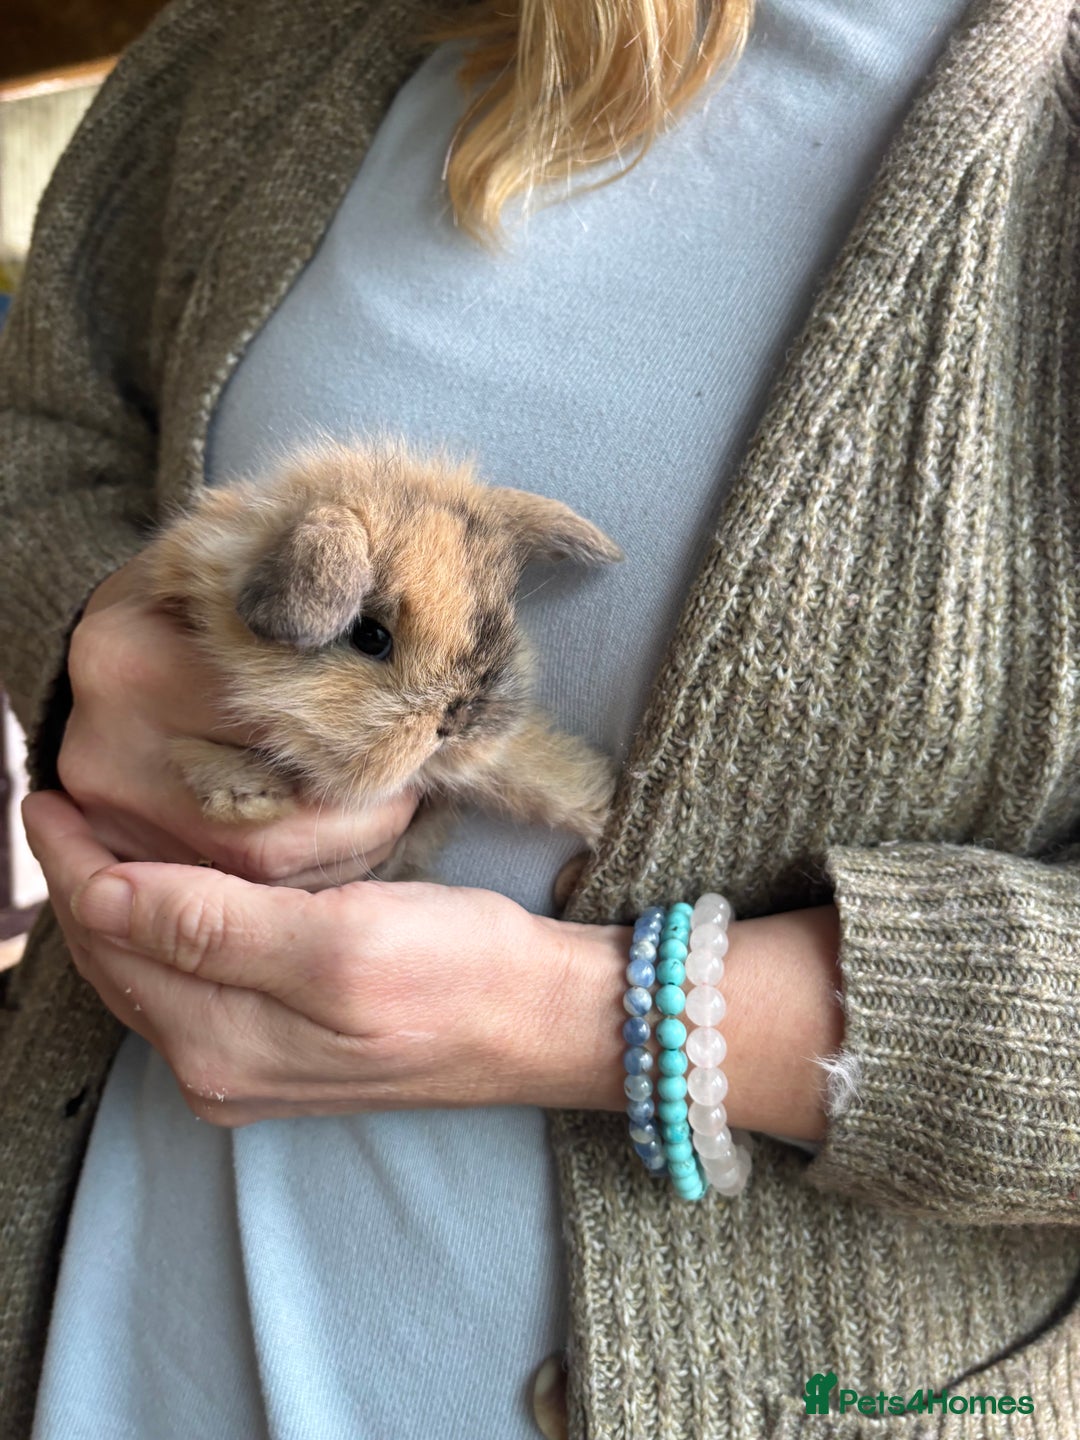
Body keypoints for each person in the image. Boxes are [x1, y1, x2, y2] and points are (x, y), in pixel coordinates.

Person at [3, 0, 1080, 1435]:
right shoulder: (280, 42)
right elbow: (52, 422)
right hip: (120, 1339)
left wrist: (617, 1021)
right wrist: (96, 648)